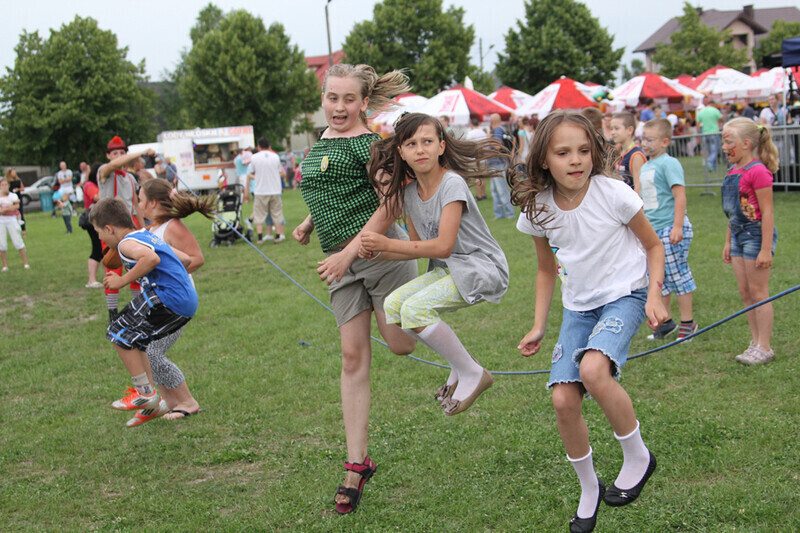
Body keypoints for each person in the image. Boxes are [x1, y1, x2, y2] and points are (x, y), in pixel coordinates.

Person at [512, 111, 667, 533]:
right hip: (578, 308)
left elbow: (653, 246)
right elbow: (547, 270)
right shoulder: (537, 209)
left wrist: (654, 294)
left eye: (583, 150)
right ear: (544, 159)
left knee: (593, 370)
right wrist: (539, 325)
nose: (575, 160)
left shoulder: (613, 193)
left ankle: (638, 456)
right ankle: (589, 488)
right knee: (563, 400)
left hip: (626, 295)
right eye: (563, 152)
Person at [292, 63, 417, 515]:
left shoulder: (374, 147)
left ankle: (460, 356)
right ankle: (356, 464)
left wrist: (348, 254)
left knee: (401, 344)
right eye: (332, 98)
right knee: (352, 358)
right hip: (339, 262)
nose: (339, 107)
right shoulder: (320, 143)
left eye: (349, 100)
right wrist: (309, 223)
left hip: (380, 255)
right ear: (323, 98)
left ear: (364, 103)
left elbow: (390, 204)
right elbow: (328, 189)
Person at [360, 112, 508, 414]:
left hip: (481, 267)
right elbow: (419, 248)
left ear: (441, 146)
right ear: (401, 152)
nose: (420, 149)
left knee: (415, 310)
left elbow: (443, 245)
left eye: (427, 141)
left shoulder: (451, 184)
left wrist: (388, 243)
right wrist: (380, 253)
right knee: (394, 304)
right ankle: (461, 366)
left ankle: (472, 372)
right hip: (449, 268)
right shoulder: (411, 192)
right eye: (411, 144)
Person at [111, 178, 214, 419]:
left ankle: (187, 402)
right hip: (159, 299)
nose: (138, 204)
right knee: (147, 350)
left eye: (140, 200)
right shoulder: (148, 230)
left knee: (153, 353)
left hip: (174, 301)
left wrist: (168, 276)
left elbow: (195, 259)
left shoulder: (172, 227)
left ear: (153, 202)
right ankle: (169, 401)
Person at [90, 197, 197, 427]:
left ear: (109, 228)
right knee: (137, 342)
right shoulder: (147, 235)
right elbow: (186, 259)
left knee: (117, 331)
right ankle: (153, 403)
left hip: (168, 297)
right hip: (186, 299)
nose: (100, 239)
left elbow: (151, 258)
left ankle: (146, 393)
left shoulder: (126, 243)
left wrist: (122, 280)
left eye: (99, 233)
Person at [721, 118, 779, 365]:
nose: (724, 146)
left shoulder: (758, 171)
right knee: (745, 292)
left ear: (746, 144)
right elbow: (733, 213)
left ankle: (765, 346)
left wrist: (766, 249)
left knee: (759, 292)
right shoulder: (732, 171)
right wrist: (727, 241)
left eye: (728, 141)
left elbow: (767, 213)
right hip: (737, 235)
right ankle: (754, 342)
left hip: (755, 236)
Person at [639, 118, 698, 342]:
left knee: (678, 276)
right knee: (658, 278)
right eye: (643, 138)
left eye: (651, 139)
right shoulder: (646, 165)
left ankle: (688, 324)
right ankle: (665, 323)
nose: (645, 143)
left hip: (670, 229)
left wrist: (677, 226)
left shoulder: (669, 163)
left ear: (665, 142)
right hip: (653, 232)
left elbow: (679, 195)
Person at [98, 136, 150, 322]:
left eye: (122, 153)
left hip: (130, 229)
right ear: (108, 155)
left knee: (137, 269)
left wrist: (143, 229)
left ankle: (138, 309)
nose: (119, 156)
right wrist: (142, 153)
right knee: (113, 268)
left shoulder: (129, 178)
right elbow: (114, 165)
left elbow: (136, 206)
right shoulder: (104, 172)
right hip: (109, 228)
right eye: (115, 153)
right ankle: (113, 313)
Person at [244, 137, 286, 244]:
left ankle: (260, 238)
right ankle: (277, 235)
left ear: (258, 146)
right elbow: (280, 171)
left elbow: (252, 172)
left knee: (259, 214)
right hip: (275, 189)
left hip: (261, 190)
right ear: (269, 146)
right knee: (276, 213)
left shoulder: (254, 158)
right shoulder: (275, 156)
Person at [610, 113, 646, 193]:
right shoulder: (621, 152)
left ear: (630, 130)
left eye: (616, 128)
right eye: (611, 128)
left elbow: (638, 186)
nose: (613, 132)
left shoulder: (636, 155)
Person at [489, 113, 515, 219]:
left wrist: (489, 140)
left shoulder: (498, 131)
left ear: (491, 122)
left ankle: (510, 213)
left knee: (502, 189)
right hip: (497, 163)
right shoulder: (502, 129)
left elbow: (497, 146)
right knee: (495, 190)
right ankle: (499, 214)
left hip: (497, 163)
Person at [0, 176, 29, 271]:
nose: (4, 186)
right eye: (2, 185)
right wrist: (9, 208)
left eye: (5, 184)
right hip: (1, 221)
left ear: (8, 185)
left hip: (12, 220)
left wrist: (5, 209)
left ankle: (25, 263)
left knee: (18, 241)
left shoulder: (13, 196)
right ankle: (5, 265)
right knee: (2, 244)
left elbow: (16, 207)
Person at [82, 163, 104, 288]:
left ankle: (102, 277)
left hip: (99, 219)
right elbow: (97, 197)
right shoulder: (90, 185)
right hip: (93, 221)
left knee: (101, 249)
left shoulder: (95, 185)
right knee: (96, 249)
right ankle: (91, 279)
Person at [464, 116, 488, 201]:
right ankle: (483, 193)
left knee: (476, 177)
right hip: (483, 156)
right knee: (482, 176)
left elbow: (468, 146)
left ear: (471, 124)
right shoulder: (483, 132)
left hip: (474, 157)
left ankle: (479, 195)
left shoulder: (471, 133)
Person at [697, 99, 723, 172]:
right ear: (713, 104)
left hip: (705, 133)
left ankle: (713, 167)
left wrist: (698, 134)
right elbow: (721, 118)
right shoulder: (714, 110)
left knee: (710, 150)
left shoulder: (701, 112)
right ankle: (710, 161)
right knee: (715, 150)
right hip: (714, 133)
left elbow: (698, 124)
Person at [6, 169, 25, 236]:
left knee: (21, 214)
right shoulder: (8, 182)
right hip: (11, 200)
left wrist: (18, 189)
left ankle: (23, 231)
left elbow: (23, 188)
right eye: (12, 172)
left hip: (18, 198)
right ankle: (13, 231)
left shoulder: (18, 180)